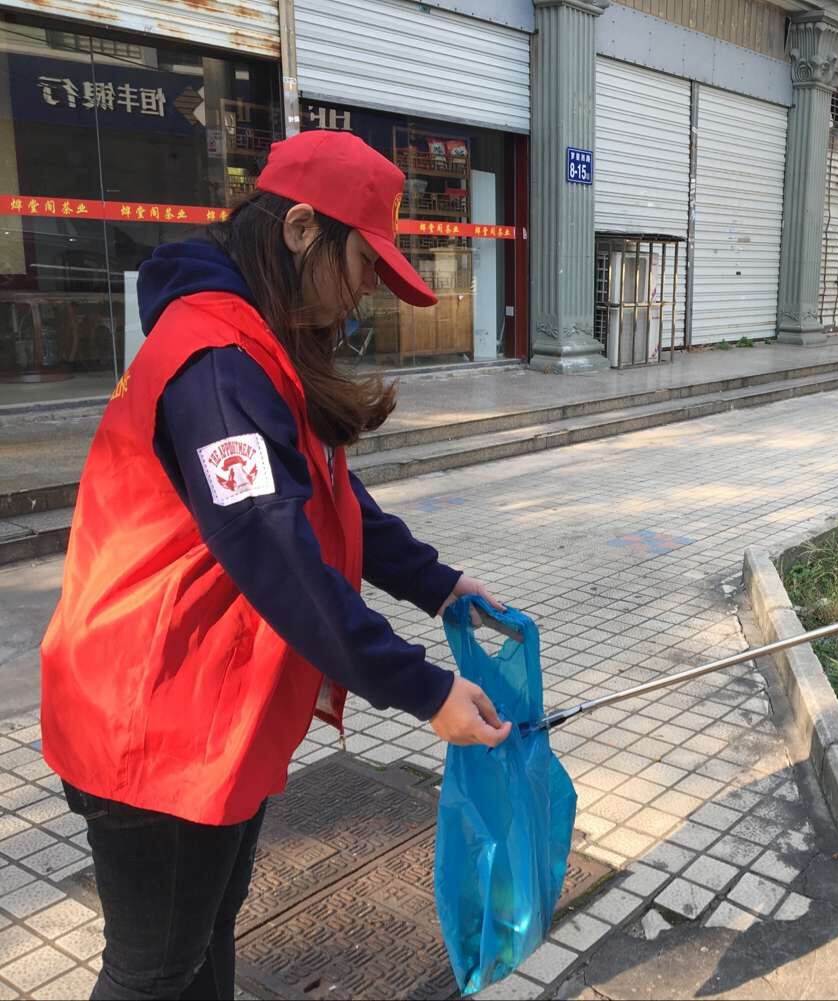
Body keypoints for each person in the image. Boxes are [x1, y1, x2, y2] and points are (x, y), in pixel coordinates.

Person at [40, 130, 512, 1000]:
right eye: (362, 263)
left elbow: (325, 492)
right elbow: (276, 551)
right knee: (153, 973)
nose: (367, 289)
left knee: (202, 941)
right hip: (153, 717)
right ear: (299, 228)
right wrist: (424, 690)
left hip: (207, 715)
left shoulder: (254, 343)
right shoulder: (216, 365)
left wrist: (437, 582)